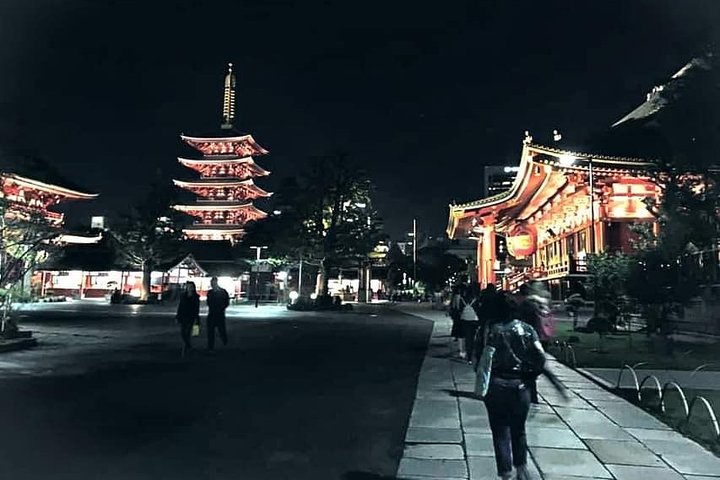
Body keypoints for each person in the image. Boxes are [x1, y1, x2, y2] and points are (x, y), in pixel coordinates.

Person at [475, 297, 566, 480]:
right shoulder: (527, 330)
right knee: (519, 429)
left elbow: (478, 357)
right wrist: (531, 375)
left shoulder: (488, 330)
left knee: (500, 430)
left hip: (496, 384)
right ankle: (521, 468)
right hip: (520, 385)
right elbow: (540, 358)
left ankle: (505, 471)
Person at [458, 282, 481, 363]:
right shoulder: (475, 299)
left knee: (467, 338)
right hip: (474, 320)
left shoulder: (462, 298)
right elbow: (478, 309)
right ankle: (472, 355)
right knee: (472, 338)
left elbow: (460, 309)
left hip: (464, 319)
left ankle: (468, 356)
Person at [176, 281, 200, 357]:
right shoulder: (183, 296)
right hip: (183, 317)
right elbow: (180, 307)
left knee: (188, 333)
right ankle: (188, 346)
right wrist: (177, 317)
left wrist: (196, 318)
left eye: (191, 287)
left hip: (191, 317)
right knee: (183, 333)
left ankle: (186, 347)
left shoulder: (196, 297)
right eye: (188, 287)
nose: (189, 288)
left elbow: (196, 309)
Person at [206, 277, 230, 352]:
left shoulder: (223, 292)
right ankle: (210, 347)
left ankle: (225, 341)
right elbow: (208, 302)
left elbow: (226, 302)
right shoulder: (210, 292)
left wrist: (222, 307)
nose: (212, 284)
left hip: (219, 314)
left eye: (213, 283)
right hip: (212, 314)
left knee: (221, 330)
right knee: (210, 332)